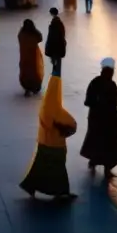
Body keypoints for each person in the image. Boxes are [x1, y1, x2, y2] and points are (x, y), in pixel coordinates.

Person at [20, 61, 78, 200]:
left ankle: (31, 186)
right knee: (58, 169)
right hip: (55, 144)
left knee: (40, 166)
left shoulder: (46, 106)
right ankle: (60, 191)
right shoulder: (56, 109)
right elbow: (68, 123)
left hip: (44, 141)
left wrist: (56, 68)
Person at [80, 57, 117, 178]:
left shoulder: (94, 82)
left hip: (96, 118)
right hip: (110, 120)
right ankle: (107, 168)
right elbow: (115, 100)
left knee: (95, 140)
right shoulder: (112, 85)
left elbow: (88, 101)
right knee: (109, 144)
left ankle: (93, 161)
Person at [18, 19, 44, 97]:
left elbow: (20, 39)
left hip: (24, 56)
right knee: (35, 71)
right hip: (34, 56)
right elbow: (40, 38)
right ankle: (35, 87)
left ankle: (27, 88)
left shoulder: (21, 34)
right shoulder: (34, 34)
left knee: (25, 72)